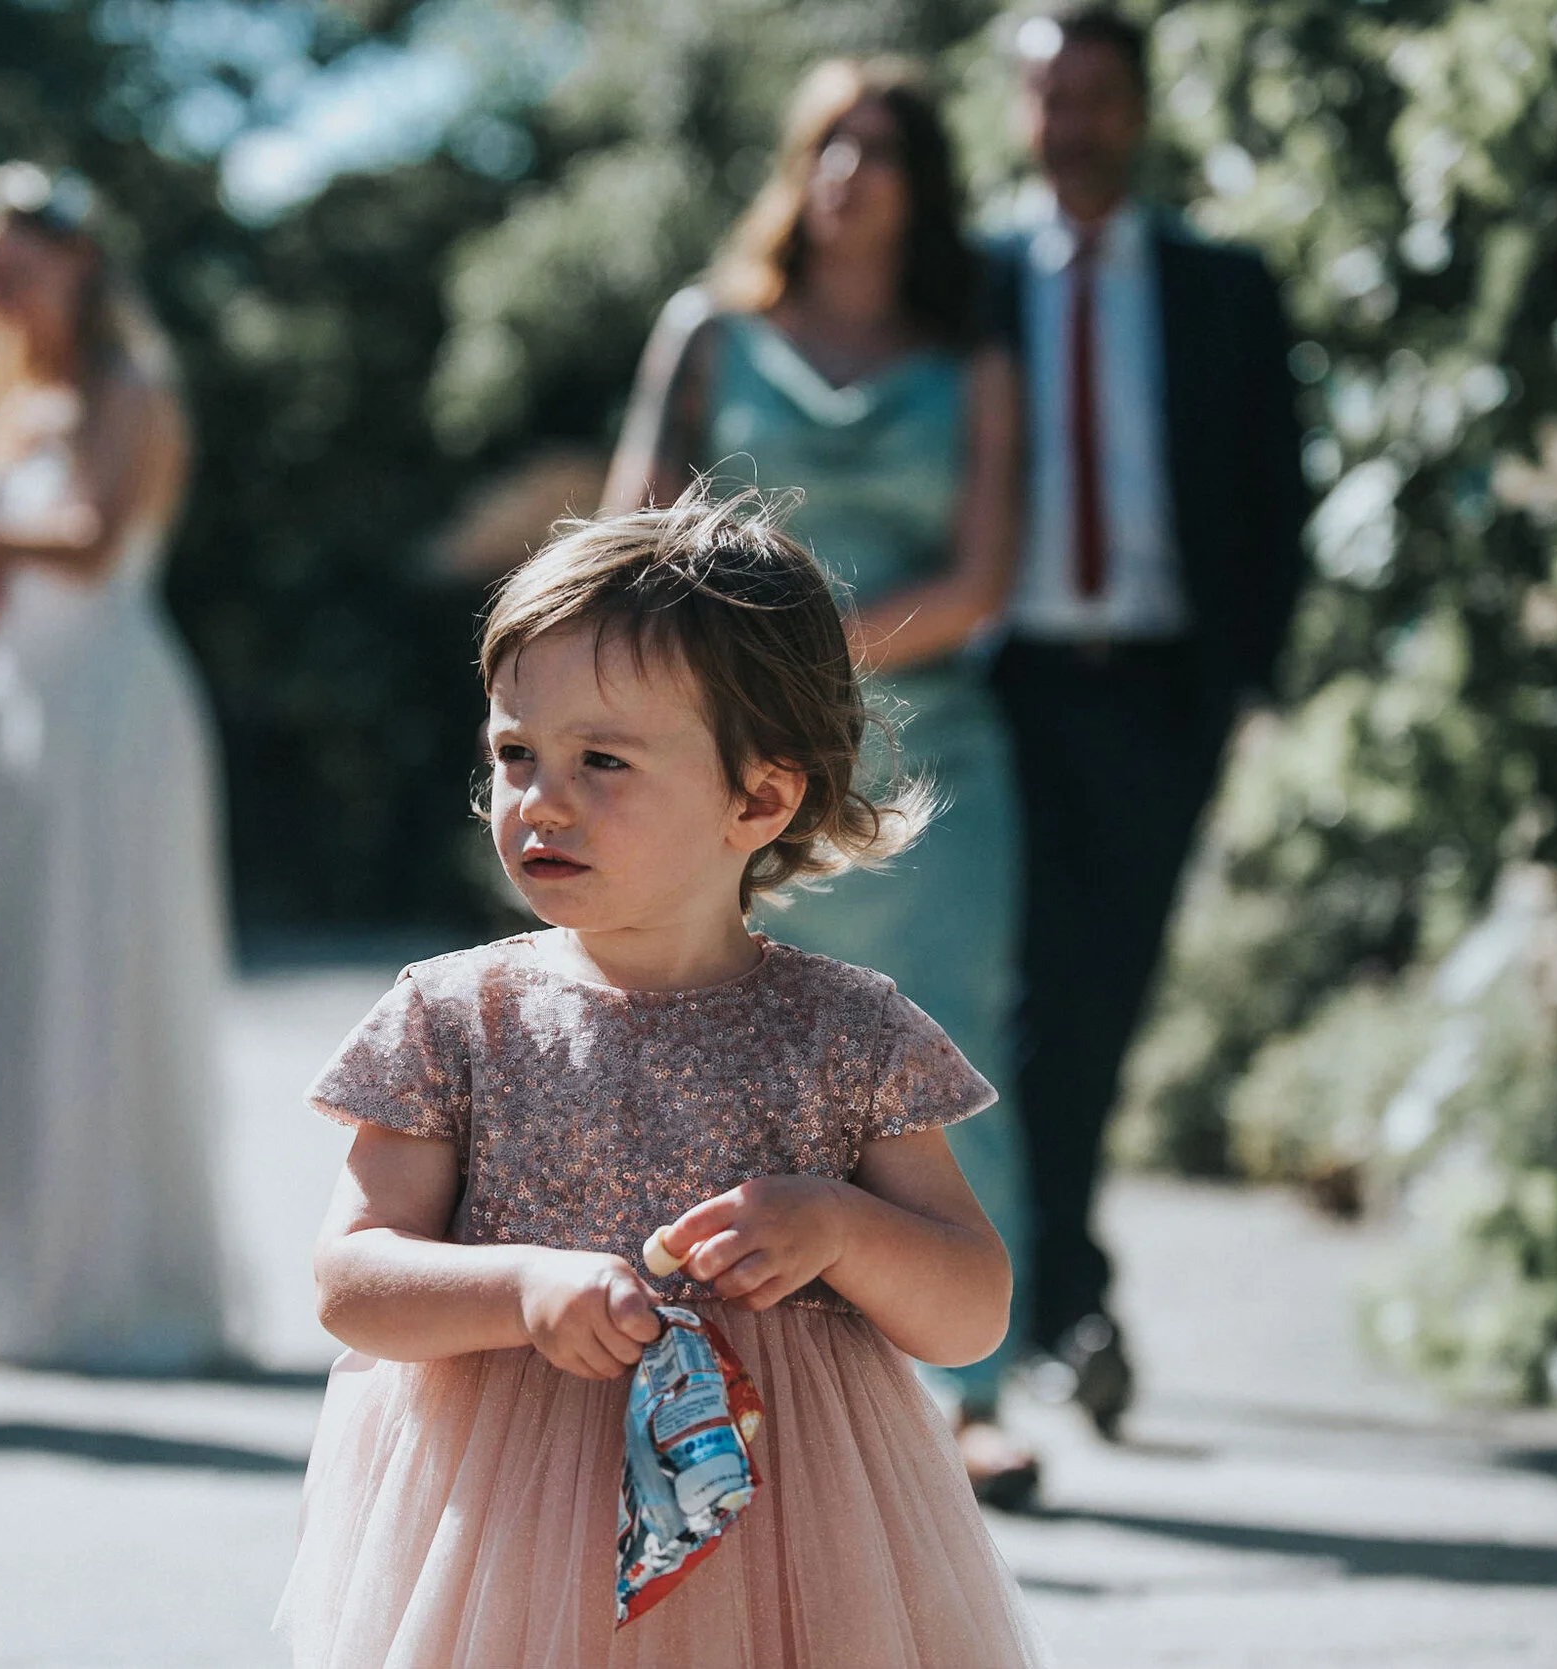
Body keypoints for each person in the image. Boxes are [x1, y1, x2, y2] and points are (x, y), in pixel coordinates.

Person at [280, 489, 1047, 1667]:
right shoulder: (456, 1016)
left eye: (602, 759)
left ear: (760, 797)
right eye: (515, 753)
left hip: (797, 1547)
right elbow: (351, 1279)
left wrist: (842, 1229)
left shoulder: (846, 1030)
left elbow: (968, 1306)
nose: (542, 798)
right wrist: (523, 1289)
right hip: (513, 1538)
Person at [602, 59, 1038, 1505]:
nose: (853, 173)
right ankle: (696, 1355)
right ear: (798, 167)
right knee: (709, 1039)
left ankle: (967, 1394)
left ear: (924, 184)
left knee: (946, 1059)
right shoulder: (710, 331)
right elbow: (629, 528)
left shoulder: (973, 354)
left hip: (925, 745)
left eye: (883, 150)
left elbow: (981, 576)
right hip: (729, 751)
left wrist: (802, 654)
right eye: (830, 145)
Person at [0, 163, 230, 1372]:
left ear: (81, 261)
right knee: (9, 975)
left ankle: (112, 1278)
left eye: (29, 263)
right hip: (17, 702)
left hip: (111, 707)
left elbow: (85, 540)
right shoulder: (4, 403)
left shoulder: (130, 388)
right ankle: (3, 1278)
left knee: (97, 977)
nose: (11, 290)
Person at [986, 7, 1307, 1434]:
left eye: (1098, 96)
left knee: (1103, 998)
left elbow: (1275, 493)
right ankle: (1058, 1298)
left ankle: (1054, 1292)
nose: (1074, 124)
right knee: (1015, 993)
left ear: (1139, 109)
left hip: (1163, 691)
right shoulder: (974, 280)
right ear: (1020, 110)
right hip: (1004, 686)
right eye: (1051, 97)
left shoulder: (1224, 283)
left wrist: (1247, 691)